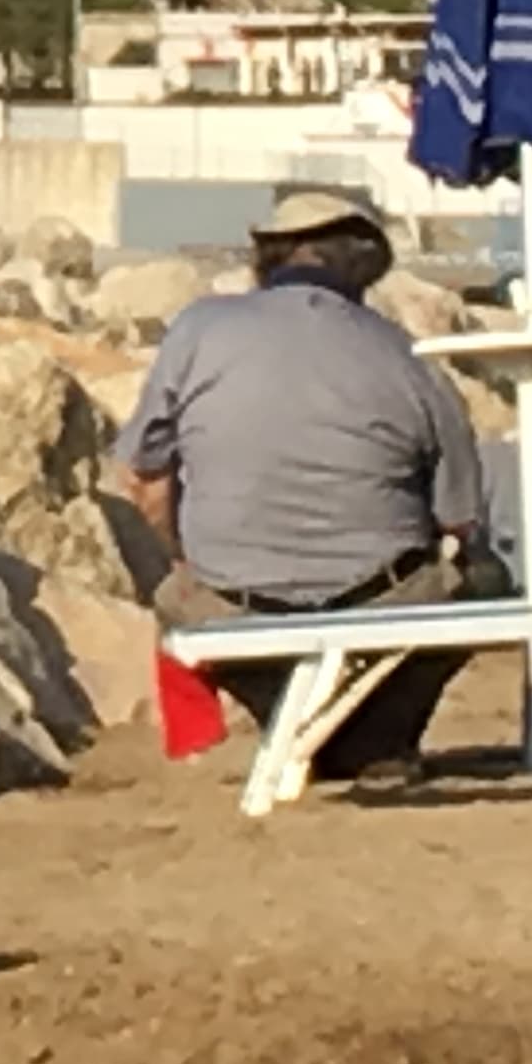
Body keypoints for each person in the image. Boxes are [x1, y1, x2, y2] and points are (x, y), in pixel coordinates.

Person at [120, 184, 498, 782]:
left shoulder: (198, 331)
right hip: (380, 602)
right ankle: (381, 737)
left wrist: (186, 557)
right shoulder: (408, 357)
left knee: (175, 597)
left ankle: (294, 726)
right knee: (487, 582)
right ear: (368, 266)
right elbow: (459, 519)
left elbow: (144, 476)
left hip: (233, 604)